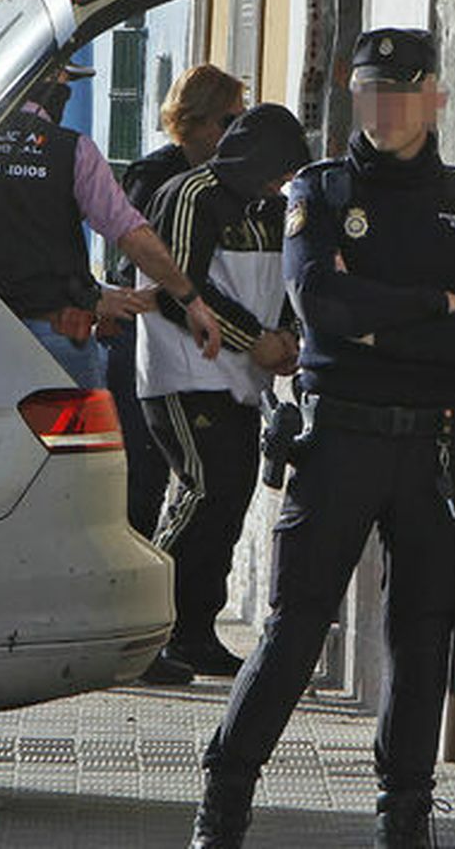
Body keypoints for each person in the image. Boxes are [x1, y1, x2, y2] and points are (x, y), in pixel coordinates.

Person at [187, 29, 455, 849]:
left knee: (423, 636)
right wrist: (436, 306)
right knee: (295, 628)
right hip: (338, 439)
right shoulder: (322, 191)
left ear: (433, 97)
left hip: (433, 447)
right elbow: (319, 306)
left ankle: (403, 816)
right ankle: (223, 804)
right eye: (372, 92)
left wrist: (375, 319)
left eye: (402, 91)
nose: (386, 108)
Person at [134, 104, 310, 687]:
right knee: (202, 491)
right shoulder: (192, 196)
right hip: (185, 372)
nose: (281, 183)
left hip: (241, 378)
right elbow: (177, 288)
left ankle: (193, 631)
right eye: (277, 171)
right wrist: (254, 338)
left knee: (228, 499)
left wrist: (287, 336)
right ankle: (144, 627)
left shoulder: (274, 209)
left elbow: (286, 281)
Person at [0, 64, 223, 388]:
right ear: (49, 88)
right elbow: (130, 233)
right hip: (58, 331)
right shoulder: (72, 149)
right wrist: (190, 299)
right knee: (77, 422)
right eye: (64, 81)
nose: (66, 91)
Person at [108, 64, 245, 546]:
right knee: (142, 480)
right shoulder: (155, 177)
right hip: (148, 343)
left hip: (203, 348)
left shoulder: (229, 183)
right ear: (198, 119)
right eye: (230, 121)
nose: (237, 133)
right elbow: (132, 267)